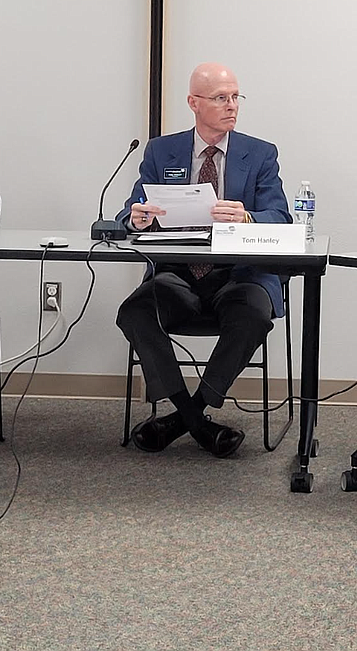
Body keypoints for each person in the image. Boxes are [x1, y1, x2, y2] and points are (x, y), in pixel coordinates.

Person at [116, 62, 291, 458]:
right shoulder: (162, 151)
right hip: (177, 276)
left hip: (239, 276)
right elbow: (130, 211)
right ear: (194, 103)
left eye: (235, 97)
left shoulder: (260, 153)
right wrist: (137, 217)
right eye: (220, 98)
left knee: (253, 314)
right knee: (136, 311)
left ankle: (184, 417)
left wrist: (246, 216)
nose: (231, 106)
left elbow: (279, 218)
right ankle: (196, 421)